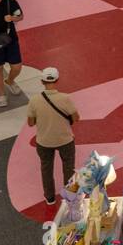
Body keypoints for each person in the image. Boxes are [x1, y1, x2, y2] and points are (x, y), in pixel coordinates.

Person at [27, 67, 78, 206]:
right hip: (65, 139)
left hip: (44, 141)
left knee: (46, 168)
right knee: (69, 167)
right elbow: (76, 117)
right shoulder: (65, 98)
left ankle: (50, 197)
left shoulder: (34, 100)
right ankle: (70, 196)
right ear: (57, 80)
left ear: (42, 81)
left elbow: (30, 123)